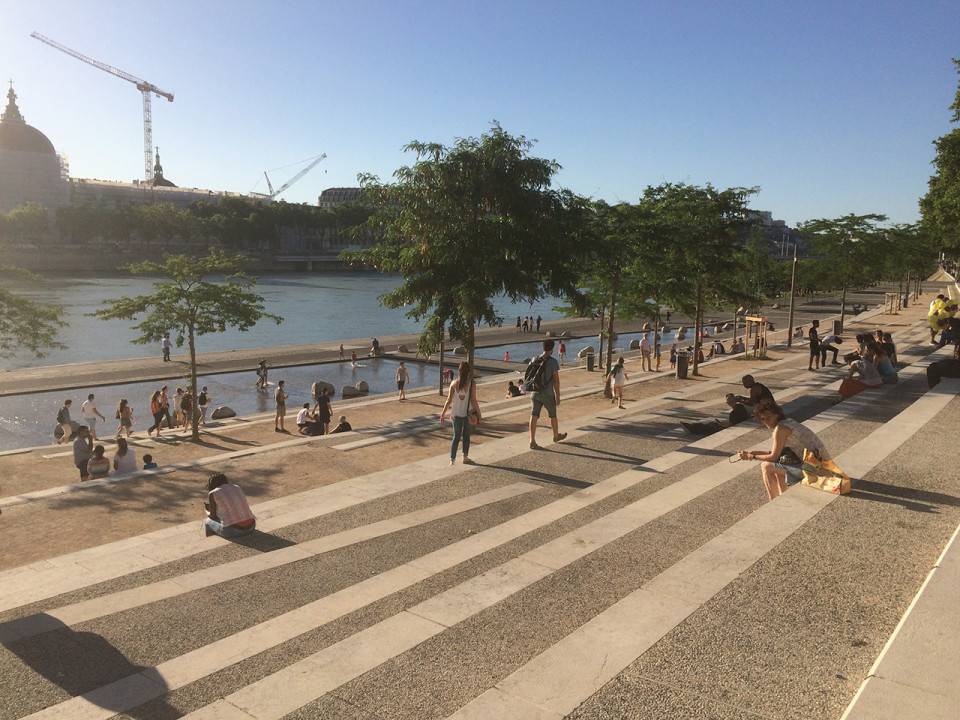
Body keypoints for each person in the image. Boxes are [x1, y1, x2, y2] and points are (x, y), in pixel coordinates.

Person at [738, 399, 830, 501]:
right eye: (763, 419)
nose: (766, 421)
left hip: (815, 468)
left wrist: (752, 456)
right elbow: (777, 454)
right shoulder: (788, 422)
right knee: (778, 463)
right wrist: (754, 453)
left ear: (777, 414)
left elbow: (774, 457)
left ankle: (772, 502)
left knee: (766, 466)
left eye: (768, 417)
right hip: (819, 463)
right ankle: (782, 498)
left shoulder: (780, 429)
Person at [440, 360, 482, 465]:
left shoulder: (453, 383)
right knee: (466, 436)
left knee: (456, 436)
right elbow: (473, 400)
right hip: (467, 414)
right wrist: (479, 414)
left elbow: (449, 400)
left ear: (459, 371)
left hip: (455, 413)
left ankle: (452, 459)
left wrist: (443, 413)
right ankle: (465, 456)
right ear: (468, 372)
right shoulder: (472, 384)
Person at [529, 339, 567, 449]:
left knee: (534, 415)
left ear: (543, 348)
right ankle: (556, 436)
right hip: (548, 393)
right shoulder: (553, 362)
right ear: (552, 349)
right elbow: (556, 380)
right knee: (553, 415)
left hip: (535, 392)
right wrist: (558, 396)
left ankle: (532, 440)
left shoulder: (534, 359)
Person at [204, 473, 256, 538]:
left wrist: (207, 510)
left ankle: (211, 542)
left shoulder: (213, 493)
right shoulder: (237, 487)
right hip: (252, 527)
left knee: (208, 522)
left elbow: (213, 517)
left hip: (234, 531)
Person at [681, 394, 750, 436]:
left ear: (728, 403)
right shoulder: (741, 406)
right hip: (741, 423)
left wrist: (719, 423)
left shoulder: (733, 413)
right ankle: (692, 427)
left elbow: (729, 425)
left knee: (710, 425)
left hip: (731, 428)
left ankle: (692, 428)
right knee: (709, 424)